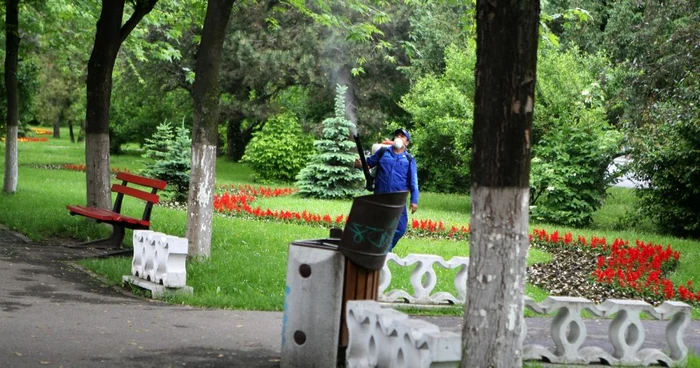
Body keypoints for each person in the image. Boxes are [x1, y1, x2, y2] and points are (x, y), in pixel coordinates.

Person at [355, 128, 419, 251]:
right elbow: (368, 163)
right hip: (380, 196)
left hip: (398, 199)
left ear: (407, 142)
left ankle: (385, 248)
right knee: (380, 225)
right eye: (397, 135)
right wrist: (359, 164)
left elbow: (413, 182)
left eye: (402, 136)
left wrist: (414, 200)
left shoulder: (409, 159)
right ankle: (380, 250)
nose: (398, 138)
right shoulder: (383, 152)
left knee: (400, 228)